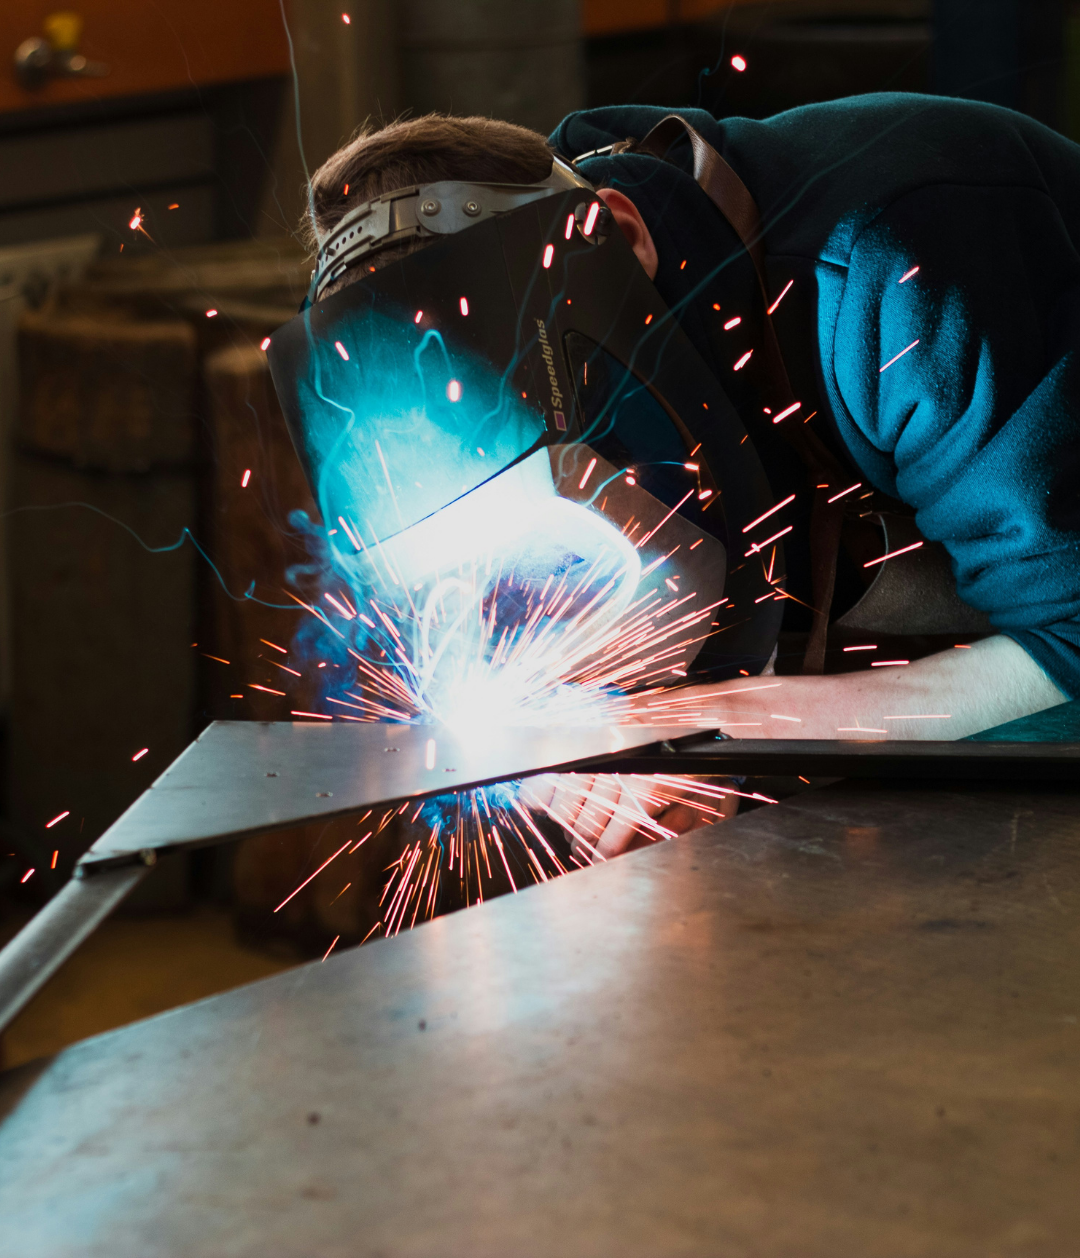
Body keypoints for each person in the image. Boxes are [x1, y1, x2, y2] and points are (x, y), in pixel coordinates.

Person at [300, 94, 1077, 856]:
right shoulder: (561, 308)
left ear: (623, 233)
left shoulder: (899, 276)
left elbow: (1070, 638)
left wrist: (750, 728)